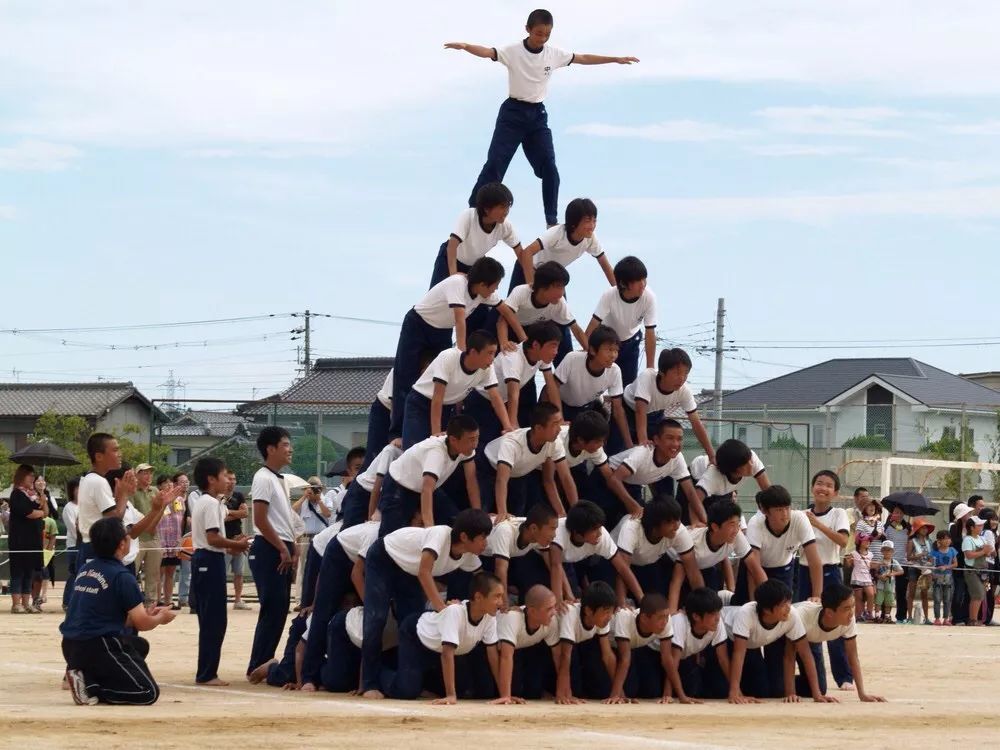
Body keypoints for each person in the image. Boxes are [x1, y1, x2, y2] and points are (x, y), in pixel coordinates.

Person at [447, 9, 638, 228]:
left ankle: (551, 222)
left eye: (547, 34)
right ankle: (473, 211)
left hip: (537, 117)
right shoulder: (513, 51)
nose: (542, 38)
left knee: (550, 169)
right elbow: (488, 52)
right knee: (495, 165)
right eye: (538, 33)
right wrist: (466, 46)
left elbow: (582, 58)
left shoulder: (553, 54)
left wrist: (614, 59)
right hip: (512, 114)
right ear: (528, 29)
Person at [361, 509, 491, 699]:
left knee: (414, 625)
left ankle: (407, 679)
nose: (485, 543)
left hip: (409, 572)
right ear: (464, 536)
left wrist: (498, 600)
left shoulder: (469, 555)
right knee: (376, 618)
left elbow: (484, 581)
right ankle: (369, 682)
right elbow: (424, 572)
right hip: (385, 558)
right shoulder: (440, 534)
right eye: (482, 538)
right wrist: (441, 608)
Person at [389, 257, 523, 441]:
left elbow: (505, 310)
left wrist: (523, 338)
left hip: (441, 331)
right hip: (418, 324)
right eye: (495, 285)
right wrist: (462, 353)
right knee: (406, 373)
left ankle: (436, 428)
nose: (496, 289)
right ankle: (397, 432)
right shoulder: (457, 284)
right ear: (483, 284)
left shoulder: (486, 294)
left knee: (444, 379)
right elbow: (460, 321)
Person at [61, 517, 176, 706]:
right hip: (97, 645)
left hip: (71, 645)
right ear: (122, 544)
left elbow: (103, 615)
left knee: (138, 646)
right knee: (147, 692)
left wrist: (146, 614)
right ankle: (91, 687)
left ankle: (86, 674)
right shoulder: (122, 576)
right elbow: (142, 624)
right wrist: (160, 618)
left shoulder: (86, 569)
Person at [381, 571, 504, 702]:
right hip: (417, 636)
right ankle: (378, 672)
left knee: (466, 690)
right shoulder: (455, 612)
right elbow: (447, 654)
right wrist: (451, 695)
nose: (501, 602)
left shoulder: (490, 617)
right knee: (407, 691)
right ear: (478, 597)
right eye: (497, 596)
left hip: (439, 649)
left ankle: (422, 681)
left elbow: (493, 655)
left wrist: (504, 695)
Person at [300, 519, 384, 691]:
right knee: (323, 613)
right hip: (339, 554)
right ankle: (309, 676)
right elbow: (356, 574)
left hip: (361, 561)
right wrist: (371, 606)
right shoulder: (374, 534)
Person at [191, 457, 251, 686]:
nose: (228, 481)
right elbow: (213, 537)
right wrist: (238, 545)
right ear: (211, 479)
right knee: (214, 619)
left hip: (207, 559)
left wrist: (233, 543)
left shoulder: (209, 502)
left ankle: (206, 670)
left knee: (210, 619)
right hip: (209, 559)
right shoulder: (212, 503)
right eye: (225, 476)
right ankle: (207, 673)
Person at [724, 579, 833, 704]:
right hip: (724, 638)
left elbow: (805, 654)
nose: (788, 608)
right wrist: (734, 692)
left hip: (752, 645)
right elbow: (738, 654)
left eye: (789, 602)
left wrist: (816, 694)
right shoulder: (746, 614)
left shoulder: (791, 614)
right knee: (722, 688)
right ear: (767, 610)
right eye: (782, 605)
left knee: (764, 690)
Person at [247, 426, 299, 676]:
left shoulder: (280, 479)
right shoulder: (263, 477)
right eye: (286, 445)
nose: (290, 450)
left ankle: (264, 661)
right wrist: (281, 546)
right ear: (271, 449)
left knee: (280, 608)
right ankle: (259, 663)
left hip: (283, 546)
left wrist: (293, 546)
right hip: (270, 548)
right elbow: (260, 518)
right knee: (273, 606)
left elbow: (284, 518)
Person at [401, 332, 512, 449]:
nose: (492, 358)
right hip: (420, 403)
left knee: (443, 452)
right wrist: (435, 434)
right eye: (490, 353)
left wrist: (507, 427)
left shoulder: (487, 369)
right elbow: (437, 396)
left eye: (494, 353)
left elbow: (496, 398)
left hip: (446, 408)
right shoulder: (449, 357)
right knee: (414, 450)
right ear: (473, 352)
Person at [377, 415, 481, 535]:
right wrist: (429, 529)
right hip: (399, 485)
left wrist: (478, 515)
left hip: (427, 488)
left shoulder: (466, 449)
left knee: (455, 523)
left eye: (477, 438)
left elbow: (471, 481)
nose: (475, 444)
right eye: (471, 439)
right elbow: (427, 489)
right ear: (453, 439)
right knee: (390, 536)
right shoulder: (436, 452)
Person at [464, 321, 562, 447]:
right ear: (536, 345)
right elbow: (513, 393)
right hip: (480, 400)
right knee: (481, 445)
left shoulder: (542, 357)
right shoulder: (514, 357)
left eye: (557, 347)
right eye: (552, 346)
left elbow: (551, 386)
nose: (556, 352)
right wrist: (512, 425)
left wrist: (560, 419)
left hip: (501, 403)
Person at [800, 470, 852, 689]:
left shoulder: (838, 514)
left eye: (828, 485)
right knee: (807, 624)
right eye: (819, 483)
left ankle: (844, 677)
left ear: (836, 492)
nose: (823, 488)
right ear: (812, 487)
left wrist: (817, 524)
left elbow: (842, 541)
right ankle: (812, 677)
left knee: (836, 625)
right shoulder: (801, 515)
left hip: (830, 571)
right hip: (803, 572)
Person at [616, 348, 714, 461]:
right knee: (620, 450)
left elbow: (696, 423)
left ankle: (663, 477)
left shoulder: (684, 391)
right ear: (662, 372)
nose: (682, 378)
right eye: (677, 373)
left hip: (655, 414)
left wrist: (711, 455)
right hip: (628, 410)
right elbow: (640, 410)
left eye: (685, 373)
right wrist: (642, 440)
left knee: (663, 451)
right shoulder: (647, 376)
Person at [791, 583, 885, 701]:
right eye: (846, 608)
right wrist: (796, 693)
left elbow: (853, 657)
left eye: (852, 606)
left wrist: (862, 694)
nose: (851, 613)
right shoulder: (802, 616)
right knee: (775, 688)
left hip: (811, 639)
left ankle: (781, 680)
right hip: (785, 634)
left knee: (820, 687)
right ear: (829, 613)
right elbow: (795, 655)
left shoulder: (848, 618)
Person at [601, 419, 701, 529]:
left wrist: (705, 522)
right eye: (670, 438)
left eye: (679, 439)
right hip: (605, 478)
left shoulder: (677, 458)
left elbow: (691, 492)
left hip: (631, 484)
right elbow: (613, 480)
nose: (676, 444)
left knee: (643, 522)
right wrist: (634, 506)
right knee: (602, 520)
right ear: (656, 440)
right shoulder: (643, 452)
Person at [482, 402, 574, 519]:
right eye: (555, 424)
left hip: (518, 473)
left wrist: (564, 513)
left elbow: (565, 477)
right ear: (539, 428)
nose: (559, 429)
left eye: (560, 423)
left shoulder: (554, 442)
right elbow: (501, 480)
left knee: (517, 515)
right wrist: (502, 512)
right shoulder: (512, 443)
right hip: (488, 468)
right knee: (484, 513)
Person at [548, 500, 644, 610]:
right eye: (594, 529)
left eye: (600, 527)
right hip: (546, 560)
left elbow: (622, 568)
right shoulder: (558, 532)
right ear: (577, 533)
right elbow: (556, 566)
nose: (600, 533)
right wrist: (559, 599)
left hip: (574, 562)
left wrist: (641, 598)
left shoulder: (601, 536)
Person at [612, 496, 704, 610]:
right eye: (671, 522)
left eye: (678, 519)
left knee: (658, 602)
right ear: (655, 525)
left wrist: (703, 603)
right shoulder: (631, 528)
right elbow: (622, 570)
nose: (677, 525)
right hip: (613, 563)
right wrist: (623, 603)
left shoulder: (678, 530)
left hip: (647, 563)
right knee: (617, 605)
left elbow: (692, 571)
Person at [508, 197, 616, 290]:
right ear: (574, 223)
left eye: (594, 220)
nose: (592, 225)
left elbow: (605, 265)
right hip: (528, 268)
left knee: (561, 312)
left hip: (552, 276)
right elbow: (527, 252)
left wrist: (619, 292)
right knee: (512, 310)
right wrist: (531, 287)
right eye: (587, 221)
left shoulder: (590, 238)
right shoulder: (557, 233)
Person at [668, 499, 763, 603]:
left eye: (738, 524)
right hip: (671, 562)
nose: (736, 530)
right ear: (715, 527)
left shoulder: (736, 535)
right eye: (732, 524)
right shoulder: (694, 545)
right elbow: (676, 581)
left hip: (704, 567)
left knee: (712, 600)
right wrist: (672, 615)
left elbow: (755, 568)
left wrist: (771, 596)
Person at [430, 182, 522, 289]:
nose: (506, 211)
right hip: (449, 260)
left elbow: (521, 254)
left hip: (474, 266)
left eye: (508, 206)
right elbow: (452, 246)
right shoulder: (468, 216)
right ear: (487, 209)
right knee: (435, 297)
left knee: (478, 301)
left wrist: (530, 283)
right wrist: (453, 277)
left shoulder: (505, 226)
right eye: (502, 207)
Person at [739, 485, 821, 605]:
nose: (785, 514)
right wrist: (754, 602)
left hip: (783, 569)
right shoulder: (755, 523)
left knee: (782, 608)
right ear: (765, 511)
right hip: (756, 568)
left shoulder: (799, 519)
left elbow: (814, 560)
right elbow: (753, 568)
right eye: (779, 510)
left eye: (787, 508)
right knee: (751, 608)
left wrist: (817, 596)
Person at [551, 325, 630, 445]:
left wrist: (629, 444)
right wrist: (559, 418)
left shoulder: (615, 371)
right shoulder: (572, 358)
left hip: (582, 410)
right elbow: (552, 388)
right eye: (609, 350)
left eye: (616, 350)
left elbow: (618, 409)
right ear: (593, 350)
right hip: (557, 404)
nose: (613, 355)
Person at [585, 256, 656, 389]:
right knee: (595, 383)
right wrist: (585, 350)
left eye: (644, 279)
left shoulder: (649, 297)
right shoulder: (609, 295)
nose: (643, 284)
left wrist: (650, 369)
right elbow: (593, 324)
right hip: (607, 342)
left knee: (627, 387)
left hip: (631, 342)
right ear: (623, 284)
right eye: (638, 281)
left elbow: (650, 333)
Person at [496, 261, 587, 364]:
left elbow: (576, 329)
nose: (562, 292)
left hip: (528, 330)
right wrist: (503, 342)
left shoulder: (559, 303)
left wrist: (590, 351)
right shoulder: (521, 292)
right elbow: (502, 320)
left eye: (563, 287)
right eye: (558, 286)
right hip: (507, 326)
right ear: (543, 286)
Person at [606, 594, 687, 704]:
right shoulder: (624, 617)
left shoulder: (665, 621)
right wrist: (616, 694)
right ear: (644, 618)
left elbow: (667, 659)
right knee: (605, 688)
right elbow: (624, 659)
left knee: (650, 689)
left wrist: (680, 696)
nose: (665, 622)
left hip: (634, 647)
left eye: (666, 616)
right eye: (660, 618)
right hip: (607, 645)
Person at [490, 584, 560, 703]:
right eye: (549, 609)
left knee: (533, 691)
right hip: (489, 651)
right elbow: (506, 657)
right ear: (532, 611)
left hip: (520, 649)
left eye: (554, 607)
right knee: (490, 690)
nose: (554, 612)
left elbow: (559, 656)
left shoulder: (551, 620)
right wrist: (506, 696)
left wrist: (565, 693)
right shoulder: (512, 618)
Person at [76, 433, 136, 567]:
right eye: (115, 450)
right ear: (99, 456)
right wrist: (124, 494)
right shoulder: (98, 481)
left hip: (90, 545)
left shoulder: (89, 479)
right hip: (97, 548)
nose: (119, 454)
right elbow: (114, 519)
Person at [553, 581, 616, 703]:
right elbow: (564, 656)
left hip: (572, 644)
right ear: (588, 611)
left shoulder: (602, 619)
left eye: (611, 611)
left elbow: (608, 655)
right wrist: (564, 693)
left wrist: (618, 692)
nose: (610, 616)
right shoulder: (569, 613)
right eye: (606, 611)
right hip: (544, 644)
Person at [663, 587, 731, 700]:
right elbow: (672, 661)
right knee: (651, 688)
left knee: (695, 689)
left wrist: (736, 691)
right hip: (656, 654)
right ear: (696, 616)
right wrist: (668, 694)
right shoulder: (680, 622)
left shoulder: (716, 624)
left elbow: (723, 659)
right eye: (713, 614)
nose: (718, 618)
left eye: (718, 613)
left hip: (683, 658)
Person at [485, 503, 559, 598]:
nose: (554, 535)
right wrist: (504, 604)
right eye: (552, 529)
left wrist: (563, 597)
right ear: (533, 528)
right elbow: (500, 570)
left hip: (500, 554)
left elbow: (554, 565)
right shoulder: (506, 531)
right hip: (474, 549)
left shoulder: (536, 533)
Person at [693, 439, 771, 520]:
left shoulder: (750, 458)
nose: (751, 465)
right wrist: (698, 524)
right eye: (745, 464)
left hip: (723, 489)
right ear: (734, 469)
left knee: (728, 521)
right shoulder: (713, 476)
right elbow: (694, 500)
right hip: (695, 483)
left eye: (750, 460)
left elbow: (768, 491)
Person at [7, 464, 46, 614]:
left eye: (33, 476)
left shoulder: (33, 494)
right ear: (21, 476)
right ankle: (16, 603)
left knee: (29, 572)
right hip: (19, 540)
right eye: (30, 475)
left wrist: (42, 497)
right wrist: (39, 512)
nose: (33, 478)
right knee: (18, 572)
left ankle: (26, 602)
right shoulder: (17, 494)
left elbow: (45, 511)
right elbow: (28, 512)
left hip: (33, 540)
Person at [340, 442, 402, 528]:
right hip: (362, 491)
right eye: (358, 468)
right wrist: (370, 522)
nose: (362, 470)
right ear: (349, 471)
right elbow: (376, 489)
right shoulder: (390, 451)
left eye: (364, 467)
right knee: (350, 530)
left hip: (379, 494)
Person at [129, 463, 162, 605]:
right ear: (137, 475)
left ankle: (151, 601)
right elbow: (131, 515)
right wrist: (149, 526)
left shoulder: (155, 491)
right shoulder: (132, 492)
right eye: (145, 473)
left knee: (153, 573)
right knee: (132, 571)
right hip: (138, 538)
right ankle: (130, 601)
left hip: (154, 536)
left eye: (150, 473)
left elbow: (163, 511)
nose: (149, 476)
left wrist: (153, 526)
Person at [222, 470, 251, 610]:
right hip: (223, 538)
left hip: (238, 537)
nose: (232, 481)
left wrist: (228, 513)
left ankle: (238, 600)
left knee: (238, 572)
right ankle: (221, 598)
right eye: (229, 479)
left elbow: (245, 513)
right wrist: (236, 514)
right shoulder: (218, 497)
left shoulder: (239, 496)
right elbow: (220, 517)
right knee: (222, 572)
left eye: (234, 479)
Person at [156, 475, 184, 609]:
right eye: (165, 483)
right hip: (161, 538)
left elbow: (180, 516)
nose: (169, 485)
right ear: (160, 486)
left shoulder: (179, 500)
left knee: (170, 572)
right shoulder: (158, 499)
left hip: (174, 539)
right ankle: (157, 599)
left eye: (170, 483)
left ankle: (168, 600)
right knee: (159, 571)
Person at [962, 516, 993, 626]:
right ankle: (973, 620)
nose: (981, 527)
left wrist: (987, 551)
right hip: (972, 571)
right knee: (978, 594)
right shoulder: (967, 539)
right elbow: (969, 555)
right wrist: (983, 551)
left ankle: (974, 619)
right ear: (971, 527)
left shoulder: (982, 538)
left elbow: (988, 553)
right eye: (979, 525)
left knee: (981, 595)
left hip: (983, 571)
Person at [906, 517, 935, 624]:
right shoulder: (911, 541)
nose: (925, 530)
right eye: (923, 528)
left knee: (924, 593)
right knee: (911, 593)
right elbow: (908, 557)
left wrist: (931, 562)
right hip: (914, 568)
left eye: (926, 528)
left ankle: (926, 618)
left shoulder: (929, 541)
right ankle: (909, 617)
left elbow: (931, 555)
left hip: (925, 569)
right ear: (917, 529)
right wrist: (918, 556)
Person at [61, 476, 81, 612]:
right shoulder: (69, 507)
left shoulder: (86, 505)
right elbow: (73, 529)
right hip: (75, 545)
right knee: (74, 573)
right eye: (77, 488)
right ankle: (67, 601)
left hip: (86, 543)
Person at [930, 530, 957, 625]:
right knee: (937, 598)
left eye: (948, 538)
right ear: (939, 540)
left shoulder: (952, 550)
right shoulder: (934, 552)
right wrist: (932, 574)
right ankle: (937, 618)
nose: (947, 540)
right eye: (944, 538)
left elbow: (955, 564)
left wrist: (946, 567)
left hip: (948, 577)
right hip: (937, 577)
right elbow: (931, 565)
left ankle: (946, 618)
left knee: (947, 599)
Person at [873, 540, 903, 623]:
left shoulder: (894, 562)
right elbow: (875, 573)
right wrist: (880, 576)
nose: (887, 552)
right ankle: (877, 616)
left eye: (889, 550)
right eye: (885, 550)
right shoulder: (880, 561)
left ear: (892, 551)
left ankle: (887, 616)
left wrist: (892, 574)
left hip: (890, 586)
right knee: (878, 601)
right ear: (882, 551)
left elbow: (901, 571)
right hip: (880, 585)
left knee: (889, 602)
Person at [849, 534, 876, 622]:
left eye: (869, 540)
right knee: (858, 597)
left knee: (871, 594)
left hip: (867, 577)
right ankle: (858, 614)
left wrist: (878, 565)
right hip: (857, 577)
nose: (868, 542)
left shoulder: (871, 554)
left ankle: (869, 613)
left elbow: (871, 566)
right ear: (859, 542)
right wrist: (848, 561)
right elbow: (849, 565)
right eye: (865, 540)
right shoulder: (853, 553)